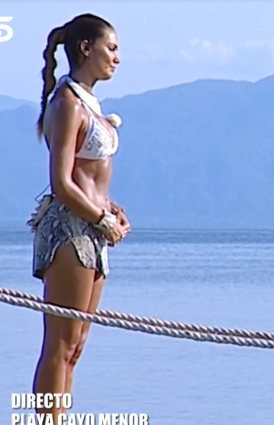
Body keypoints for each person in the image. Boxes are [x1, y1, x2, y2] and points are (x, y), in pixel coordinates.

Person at [28, 13, 130, 421]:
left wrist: (112, 209)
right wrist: (100, 218)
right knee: (60, 341)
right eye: (112, 48)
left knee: (78, 344)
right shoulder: (68, 103)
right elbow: (62, 181)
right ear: (86, 49)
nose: (117, 58)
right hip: (70, 231)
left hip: (94, 232)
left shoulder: (90, 102)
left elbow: (90, 178)